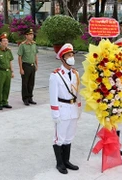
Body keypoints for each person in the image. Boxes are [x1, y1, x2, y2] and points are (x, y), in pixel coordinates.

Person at [49, 43, 81, 174]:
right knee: (59, 138)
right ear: (62, 58)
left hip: (73, 108)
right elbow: (53, 96)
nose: (71, 57)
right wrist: (55, 114)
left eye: (72, 54)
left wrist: (79, 109)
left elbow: (77, 93)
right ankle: (60, 163)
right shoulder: (56, 75)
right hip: (62, 109)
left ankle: (67, 161)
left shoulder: (75, 73)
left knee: (69, 137)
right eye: (69, 55)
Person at [0, 33, 14, 110]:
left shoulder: (9, 51)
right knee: (0, 88)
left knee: (7, 87)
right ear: (0, 42)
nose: (6, 42)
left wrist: (12, 71)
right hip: (0, 72)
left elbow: (10, 61)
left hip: (8, 71)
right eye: (4, 41)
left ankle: (5, 102)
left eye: (6, 41)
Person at [17, 28, 39, 106]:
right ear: (26, 36)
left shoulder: (34, 44)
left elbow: (35, 54)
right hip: (25, 65)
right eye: (29, 35)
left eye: (32, 34)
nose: (31, 36)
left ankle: (30, 98)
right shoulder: (22, 45)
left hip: (32, 65)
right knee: (25, 83)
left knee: (31, 83)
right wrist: (21, 68)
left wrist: (36, 64)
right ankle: (25, 98)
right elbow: (19, 57)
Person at [114, 38, 122, 156]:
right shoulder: (111, 64)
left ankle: (116, 147)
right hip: (112, 100)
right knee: (111, 125)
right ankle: (110, 147)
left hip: (121, 98)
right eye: (121, 49)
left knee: (119, 125)